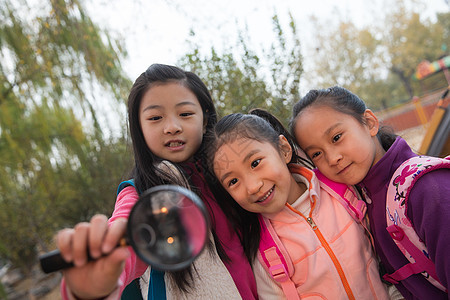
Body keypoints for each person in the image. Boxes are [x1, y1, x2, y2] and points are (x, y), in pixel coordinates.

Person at [55, 64, 259, 299]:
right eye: (155, 118)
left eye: (185, 114)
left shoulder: (232, 176)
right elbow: (124, 233)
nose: (172, 127)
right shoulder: (140, 195)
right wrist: (97, 281)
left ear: (205, 119)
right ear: (139, 129)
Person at [209, 109, 391, 299]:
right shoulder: (265, 253)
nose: (253, 187)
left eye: (255, 163)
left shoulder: (341, 192)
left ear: (284, 150)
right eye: (233, 182)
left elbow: (386, 259)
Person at [290, 86, 450, 300]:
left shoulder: (425, 188)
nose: (332, 158)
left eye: (336, 137)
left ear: (370, 123)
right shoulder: (363, 200)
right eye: (317, 153)